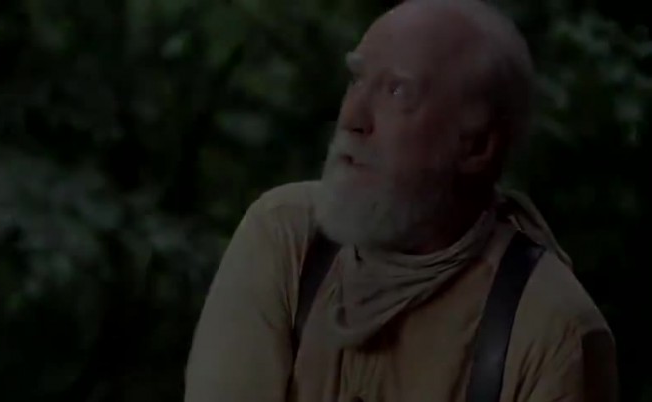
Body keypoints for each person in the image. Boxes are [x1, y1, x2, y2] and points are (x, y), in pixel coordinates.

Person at [184, 0, 618, 401]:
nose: (352, 118)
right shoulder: (286, 236)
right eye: (356, 80)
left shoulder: (551, 330)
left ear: (477, 146)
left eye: (397, 91)